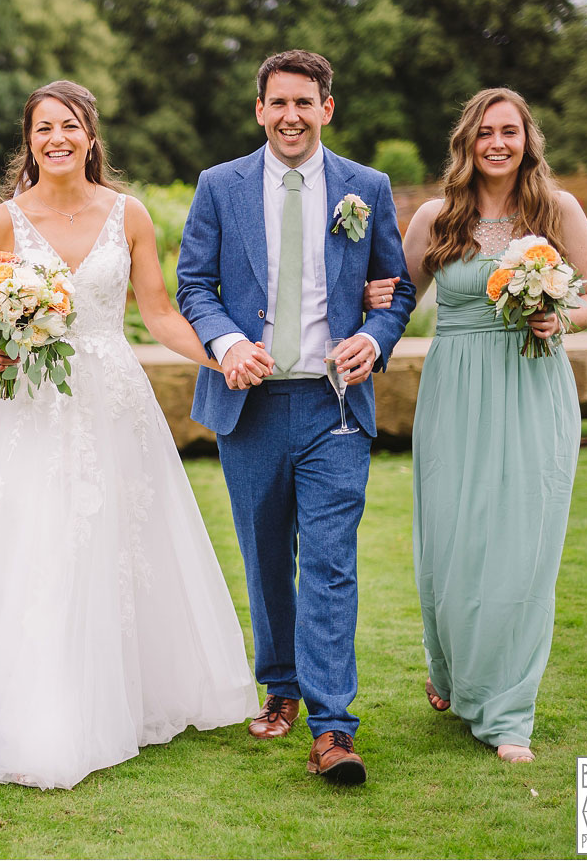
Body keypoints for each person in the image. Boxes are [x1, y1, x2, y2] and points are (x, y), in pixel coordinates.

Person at [0, 81, 257, 791]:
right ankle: (39, 711)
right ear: (28, 139)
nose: (57, 137)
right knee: (41, 544)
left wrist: (223, 352)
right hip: (33, 404)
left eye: (70, 125)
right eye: (44, 126)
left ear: (90, 136)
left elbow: (162, 313)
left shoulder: (128, 213)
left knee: (122, 542)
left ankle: (131, 692)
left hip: (113, 399)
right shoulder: (0, 222)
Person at [175, 50, 416, 785]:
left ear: (327, 109)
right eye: (277, 102)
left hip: (333, 406)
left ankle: (332, 727)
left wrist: (375, 338)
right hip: (249, 403)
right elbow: (194, 282)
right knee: (266, 555)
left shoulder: (365, 188)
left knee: (332, 562)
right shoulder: (219, 186)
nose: (290, 116)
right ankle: (279, 684)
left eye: (304, 103)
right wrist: (226, 341)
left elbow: (397, 286)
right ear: (259, 109)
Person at [386, 87, 587, 763]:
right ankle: (452, 672)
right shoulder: (436, 216)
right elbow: (398, 297)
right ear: (467, 141)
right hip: (454, 391)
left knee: (520, 542)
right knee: (452, 540)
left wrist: (558, 315)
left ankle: (507, 708)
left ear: (527, 138)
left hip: (532, 383)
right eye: (485, 132)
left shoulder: (555, 209)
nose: (498, 143)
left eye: (509, 131)